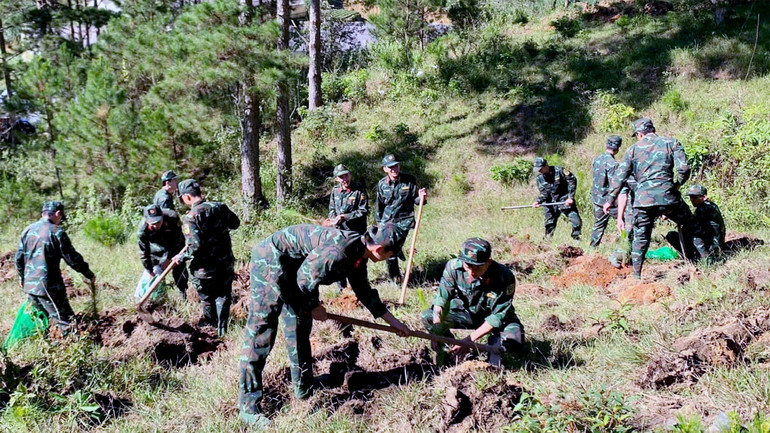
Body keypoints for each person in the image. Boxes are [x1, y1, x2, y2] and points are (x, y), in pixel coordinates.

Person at [238, 223, 411, 426]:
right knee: (261, 332)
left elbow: (364, 291)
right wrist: (314, 305)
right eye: (391, 254)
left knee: (299, 325)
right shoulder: (340, 251)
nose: (389, 259)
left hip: (297, 267)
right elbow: (304, 279)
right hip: (270, 260)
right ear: (380, 249)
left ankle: (303, 387)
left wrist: (395, 323)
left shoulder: (359, 252)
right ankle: (248, 407)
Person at [604, 117, 692, 279]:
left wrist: (609, 200)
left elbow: (619, 177)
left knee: (641, 237)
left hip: (643, 201)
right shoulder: (671, 143)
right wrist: (676, 186)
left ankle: (637, 276)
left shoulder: (632, 150)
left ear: (639, 134)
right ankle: (699, 261)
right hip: (668, 197)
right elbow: (684, 168)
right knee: (688, 222)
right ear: (652, 129)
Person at [422, 238, 524, 366]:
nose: (472, 272)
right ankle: (452, 349)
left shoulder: (504, 276)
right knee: (429, 317)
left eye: (478, 267)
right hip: (466, 315)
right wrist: (437, 333)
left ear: (489, 262)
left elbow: (497, 317)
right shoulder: (453, 267)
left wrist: (468, 341)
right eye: (468, 266)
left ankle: (492, 352)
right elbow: (441, 300)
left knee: (514, 339)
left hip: (495, 319)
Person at [172, 179, 240, 336]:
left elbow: (195, 246)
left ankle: (211, 329)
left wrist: (180, 257)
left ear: (187, 197)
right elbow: (235, 223)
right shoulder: (220, 207)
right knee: (223, 295)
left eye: (182, 198)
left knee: (208, 298)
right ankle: (223, 330)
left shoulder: (190, 218)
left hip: (205, 268)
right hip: (225, 263)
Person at [15, 201, 95, 331]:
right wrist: (88, 274)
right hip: (48, 287)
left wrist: (22, 278)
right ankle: (74, 346)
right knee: (66, 321)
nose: (61, 220)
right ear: (58, 214)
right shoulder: (57, 232)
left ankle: (45, 346)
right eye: (61, 217)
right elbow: (72, 258)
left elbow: (19, 258)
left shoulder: (28, 230)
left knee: (40, 321)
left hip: (30, 286)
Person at [375, 154, 427, 281]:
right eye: (390, 167)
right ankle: (395, 278)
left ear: (399, 166)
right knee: (388, 249)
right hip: (387, 221)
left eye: (396, 166)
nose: (394, 169)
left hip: (404, 221)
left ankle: (397, 260)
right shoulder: (382, 184)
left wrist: (422, 197)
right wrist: (379, 224)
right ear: (385, 169)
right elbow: (379, 205)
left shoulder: (409, 181)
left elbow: (417, 200)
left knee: (391, 247)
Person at [137, 204, 188, 298]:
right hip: (156, 249)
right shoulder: (143, 229)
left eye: (158, 222)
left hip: (173, 246)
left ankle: (183, 294)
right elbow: (144, 252)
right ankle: (158, 299)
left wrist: (169, 259)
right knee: (154, 273)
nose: (156, 225)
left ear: (162, 217)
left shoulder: (172, 217)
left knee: (179, 268)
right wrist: (149, 271)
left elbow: (179, 240)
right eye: (153, 223)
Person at [665, 184, 725, 263]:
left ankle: (702, 259)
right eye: (691, 197)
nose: (692, 199)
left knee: (677, 234)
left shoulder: (704, 208)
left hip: (711, 243)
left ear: (704, 197)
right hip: (714, 241)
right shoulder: (710, 205)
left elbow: (693, 226)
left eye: (695, 197)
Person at [531, 157, 582, 240]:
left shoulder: (560, 171)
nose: (539, 171)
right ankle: (548, 241)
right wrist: (538, 201)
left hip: (564, 200)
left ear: (546, 166)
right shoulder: (539, 178)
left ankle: (576, 237)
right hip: (550, 202)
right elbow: (544, 193)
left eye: (541, 169)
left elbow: (572, 181)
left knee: (576, 220)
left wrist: (570, 197)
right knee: (549, 224)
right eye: (538, 170)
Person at [590, 135, 622, 247]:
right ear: (617, 149)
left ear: (606, 145)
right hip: (609, 201)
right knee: (624, 222)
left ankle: (592, 248)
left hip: (597, 199)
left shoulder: (597, 159)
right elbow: (615, 185)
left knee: (598, 225)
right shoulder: (613, 164)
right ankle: (626, 246)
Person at [327, 164, 369, 234]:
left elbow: (363, 211)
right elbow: (332, 209)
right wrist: (334, 219)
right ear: (336, 179)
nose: (345, 179)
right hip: (339, 231)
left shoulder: (359, 190)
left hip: (355, 231)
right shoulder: (335, 190)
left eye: (346, 175)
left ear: (350, 174)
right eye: (341, 177)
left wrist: (344, 217)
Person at [609, 175, 637, 269]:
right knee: (628, 234)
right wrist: (620, 217)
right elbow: (623, 194)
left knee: (641, 237)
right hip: (632, 209)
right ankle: (617, 257)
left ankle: (633, 261)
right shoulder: (631, 168)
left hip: (647, 208)